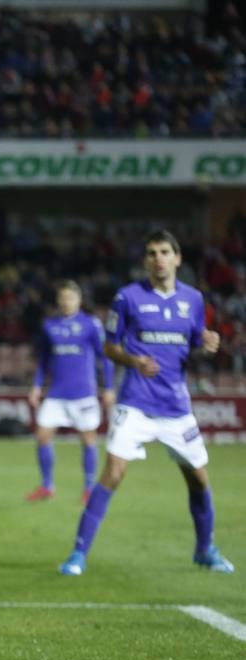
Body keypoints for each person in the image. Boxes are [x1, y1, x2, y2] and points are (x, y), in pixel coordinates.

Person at [59, 230, 233, 576]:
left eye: (165, 252)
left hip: (175, 406)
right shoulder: (128, 297)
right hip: (135, 402)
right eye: (152, 253)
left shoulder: (194, 299)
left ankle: (205, 550)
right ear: (146, 260)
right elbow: (109, 347)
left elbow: (194, 339)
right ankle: (78, 554)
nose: (158, 259)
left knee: (198, 478)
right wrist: (133, 361)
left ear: (177, 258)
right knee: (113, 472)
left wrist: (207, 341)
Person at [26, 281, 115, 503]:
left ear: (79, 300)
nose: (67, 302)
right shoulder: (49, 325)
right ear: (58, 300)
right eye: (63, 298)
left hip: (83, 393)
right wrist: (37, 386)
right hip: (56, 393)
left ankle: (88, 488)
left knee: (88, 439)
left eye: (71, 298)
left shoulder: (91, 324)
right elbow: (43, 360)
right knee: (42, 436)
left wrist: (109, 387)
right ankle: (47, 486)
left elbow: (105, 358)